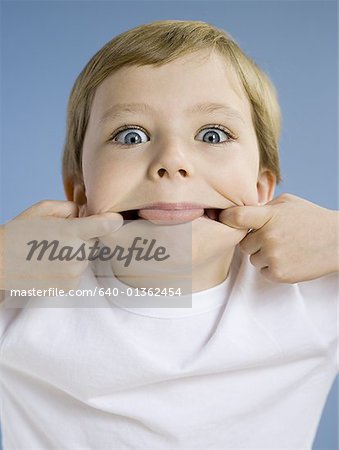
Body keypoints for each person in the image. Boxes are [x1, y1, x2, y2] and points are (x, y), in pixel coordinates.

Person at [0, 20, 338, 449]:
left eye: (212, 135)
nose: (172, 161)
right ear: (80, 190)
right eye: (131, 135)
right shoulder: (19, 295)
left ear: (261, 188)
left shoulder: (315, 296)